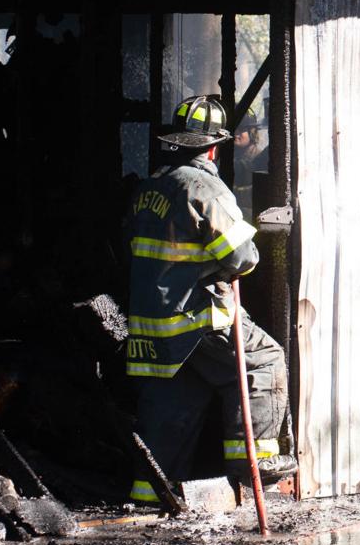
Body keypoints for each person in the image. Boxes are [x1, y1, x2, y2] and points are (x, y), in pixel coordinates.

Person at [126, 95, 295, 504]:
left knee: (178, 400)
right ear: (215, 146)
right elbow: (243, 257)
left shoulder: (153, 186)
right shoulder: (203, 187)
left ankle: (152, 496)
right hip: (194, 317)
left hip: (152, 325)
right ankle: (254, 461)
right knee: (264, 359)